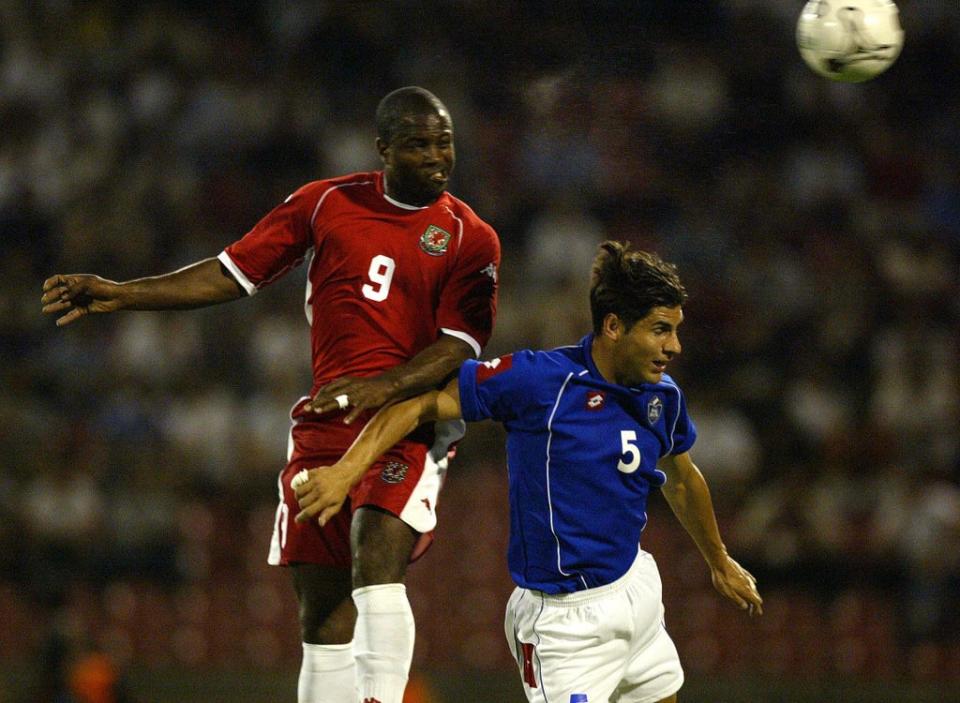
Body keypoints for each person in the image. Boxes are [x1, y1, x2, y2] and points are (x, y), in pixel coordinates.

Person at [41, 86, 500, 703]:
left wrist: (380, 387)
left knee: (376, 554)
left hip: (406, 419)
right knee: (322, 615)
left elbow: (459, 345)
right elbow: (230, 273)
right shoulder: (326, 204)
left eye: (444, 143)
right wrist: (121, 293)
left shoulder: (471, 237)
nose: (436, 157)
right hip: (325, 421)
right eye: (418, 144)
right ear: (383, 148)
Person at [292, 241, 762, 703]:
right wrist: (344, 473)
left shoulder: (663, 396)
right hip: (563, 625)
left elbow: (681, 477)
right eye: (661, 330)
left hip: (635, 588)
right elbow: (419, 406)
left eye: (676, 330)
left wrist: (719, 561)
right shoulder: (540, 381)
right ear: (615, 326)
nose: (674, 346)